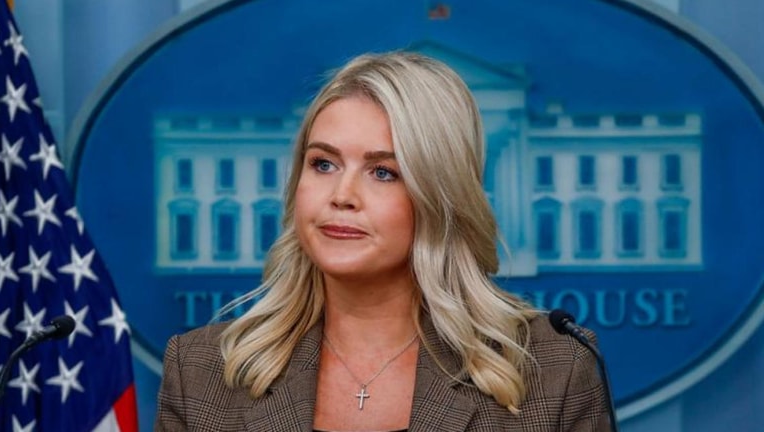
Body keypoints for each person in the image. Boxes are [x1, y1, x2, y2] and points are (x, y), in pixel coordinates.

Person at [155, 51, 609, 431]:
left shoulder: (555, 371)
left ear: (440, 196)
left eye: (383, 172)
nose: (342, 195)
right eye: (323, 164)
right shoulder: (199, 371)